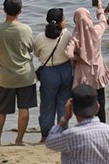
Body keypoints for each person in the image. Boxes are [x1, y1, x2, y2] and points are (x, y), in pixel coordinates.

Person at [0, 0, 37, 146]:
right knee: (24, 108)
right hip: (25, 75)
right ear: (20, 11)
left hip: (5, 77)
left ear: (4, 10)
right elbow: (31, 48)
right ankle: (19, 140)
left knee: (1, 110)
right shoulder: (26, 29)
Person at [45, 84, 109, 164]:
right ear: (97, 107)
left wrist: (65, 119)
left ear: (72, 109)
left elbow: (49, 142)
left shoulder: (71, 135)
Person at [65, 4, 109, 123]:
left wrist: (78, 58)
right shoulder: (96, 31)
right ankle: (102, 124)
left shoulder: (75, 37)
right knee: (100, 100)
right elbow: (104, 22)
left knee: (84, 102)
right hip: (98, 72)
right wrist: (99, 8)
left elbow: (68, 53)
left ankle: (84, 123)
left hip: (83, 75)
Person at [35, 8, 73, 143]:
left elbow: (36, 54)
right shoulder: (67, 35)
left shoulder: (40, 37)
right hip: (66, 70)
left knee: (47, 105)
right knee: (63, 103)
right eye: (64, 18)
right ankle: (62, 134)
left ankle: (45, 136)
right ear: (61, 21)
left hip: (49, 72)